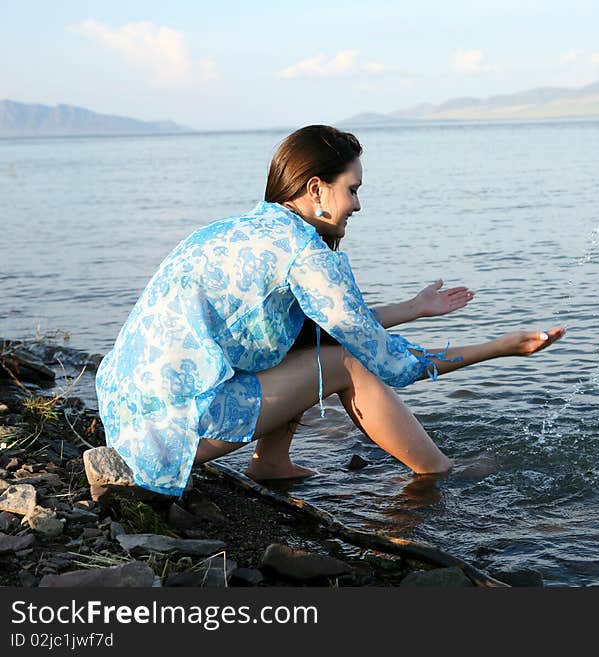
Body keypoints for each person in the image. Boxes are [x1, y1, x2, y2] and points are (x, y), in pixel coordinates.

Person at [94, 125, 565, 498]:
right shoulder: (304, 253)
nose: (358, 204)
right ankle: (439, 473)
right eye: (353, 189)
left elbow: (327, 327)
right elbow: (390, 364)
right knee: (346, 363)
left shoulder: (233, 231)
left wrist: (413, 308)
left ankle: (272, 465)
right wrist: (500, 348)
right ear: (316, 189)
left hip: (128, 413)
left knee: (310, 347)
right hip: (167, 436)